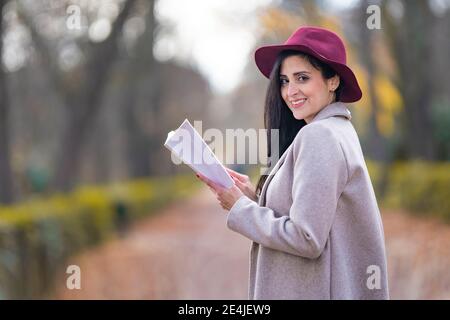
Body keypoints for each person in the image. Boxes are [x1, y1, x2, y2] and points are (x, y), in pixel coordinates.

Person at [196, 26, 389, 300]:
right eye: (285, 81)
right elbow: (316, 217)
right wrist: (253, 199)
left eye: (302, 78)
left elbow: (306, 237)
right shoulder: (339, 130)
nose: (290, 91)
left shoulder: (319, 135)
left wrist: (239, 208)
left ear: (333, 80)